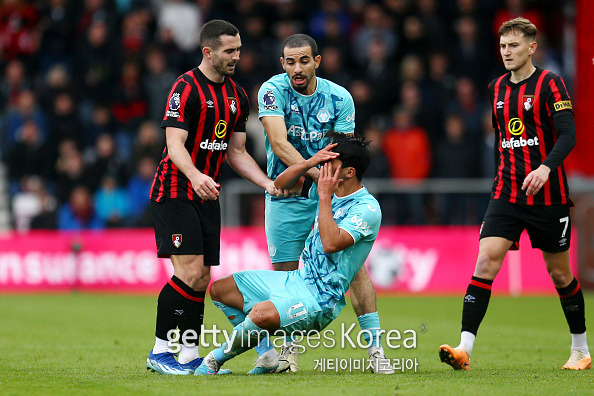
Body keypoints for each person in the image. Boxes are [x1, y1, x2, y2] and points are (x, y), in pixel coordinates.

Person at [439, 17, 590, 371]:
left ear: (532, 47)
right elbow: (501, 140)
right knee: (485, 262)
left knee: (559, 274)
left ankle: (580, 350)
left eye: (514, 45)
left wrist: (545, 167)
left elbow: (569, 135)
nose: (507, 52)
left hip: (548, 196)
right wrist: (496, 182)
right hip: (506, 193)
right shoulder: (496, 88)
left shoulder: (551, 84)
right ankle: (464, 349)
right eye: (503, 45)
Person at [146, 20, 285, 376]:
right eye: (229, 51)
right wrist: (195, 175)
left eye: (238, 49)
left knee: (203, 277)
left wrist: (267, 184)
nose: (237, 56)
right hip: (175, 190)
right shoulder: (185, 88)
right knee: (189, 271)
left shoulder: (237, 96)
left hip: (207, 196)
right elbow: (173, 144)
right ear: (208, 52)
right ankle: (160, 352)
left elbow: (236, 153)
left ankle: (190, 356)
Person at [195, 135, 393, 375]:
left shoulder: (366, 208)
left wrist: (322, 196)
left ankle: (213, 361)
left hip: (320, 299)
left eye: (330, 163)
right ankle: (267, 357)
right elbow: (281, 183)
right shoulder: (330, 188)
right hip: (297, 280)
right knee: (220, 290)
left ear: (349, 172)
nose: (324, 167)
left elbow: (331, 243)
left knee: (259, 314)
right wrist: (309, 162)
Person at [258, 33, 392, 373]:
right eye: (290, 62)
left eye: (304, 60)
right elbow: (278, 144)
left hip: (331, 197)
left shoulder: (339, 98)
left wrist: (330, 190)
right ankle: (289, 351)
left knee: (354, 269)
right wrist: (320, 181)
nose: (297, 68)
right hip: (287, 196)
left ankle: (376, 351)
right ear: (282, 64)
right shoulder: (271, 90)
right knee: (287, 276)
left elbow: (344, 152)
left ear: (317, 61)